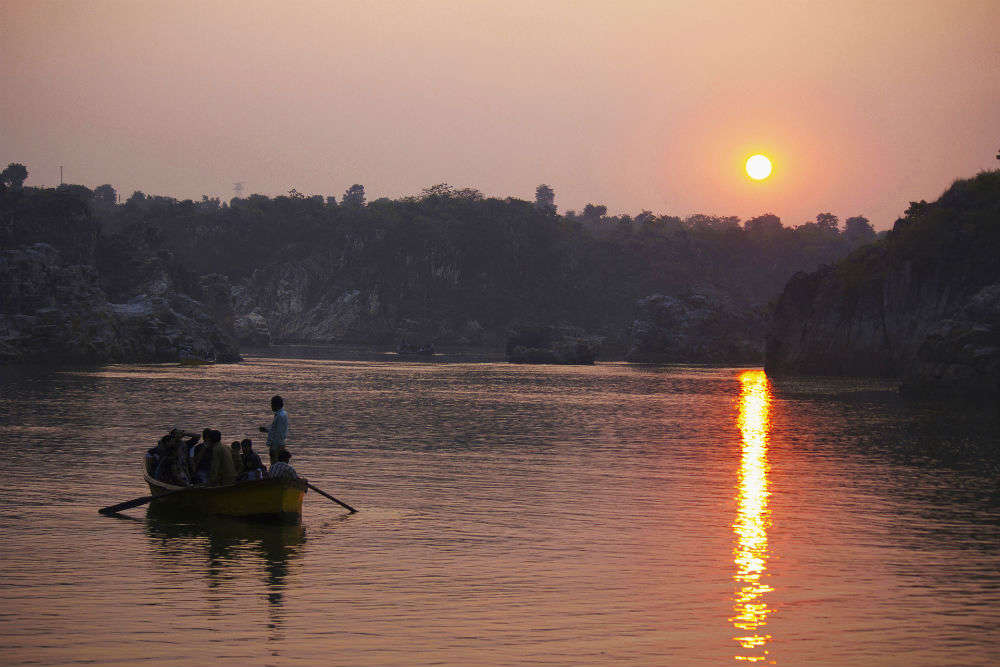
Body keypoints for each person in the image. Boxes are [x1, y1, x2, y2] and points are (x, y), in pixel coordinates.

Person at [259, 395, 289, 465]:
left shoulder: (280, 416)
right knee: (280, 464)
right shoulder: (283, 414)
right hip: (280, 444)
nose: (271, 406)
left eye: (272, 404)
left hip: (277, 445)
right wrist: (267, 430)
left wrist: (274, 448)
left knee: (275, 464)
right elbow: (278, 430)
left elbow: (278, 434)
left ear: (276, 405)